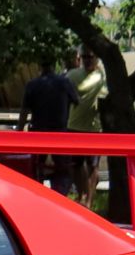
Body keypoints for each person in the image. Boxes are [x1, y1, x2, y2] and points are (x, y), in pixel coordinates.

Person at [19, 59, 77, 193]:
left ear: (40, 66)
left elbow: (24, 112)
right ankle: (60, 195)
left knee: (36, 167)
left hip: (39, 133)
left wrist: (19, 132)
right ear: (54, 65)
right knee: (62, 168)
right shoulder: (64, 83)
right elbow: (76, 103)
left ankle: (37, 192)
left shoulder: (32, 85)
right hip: (60, 132)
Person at [66, 47, 107, 205]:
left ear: (97, 57)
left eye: (91, 56)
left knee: (93, 166)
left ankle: (89, 201)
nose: (88, 60)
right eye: (84, 57)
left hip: (94, 129)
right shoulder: (72, 75)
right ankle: (81, 194)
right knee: (75, 165)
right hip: (74, 126)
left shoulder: (103, 76)